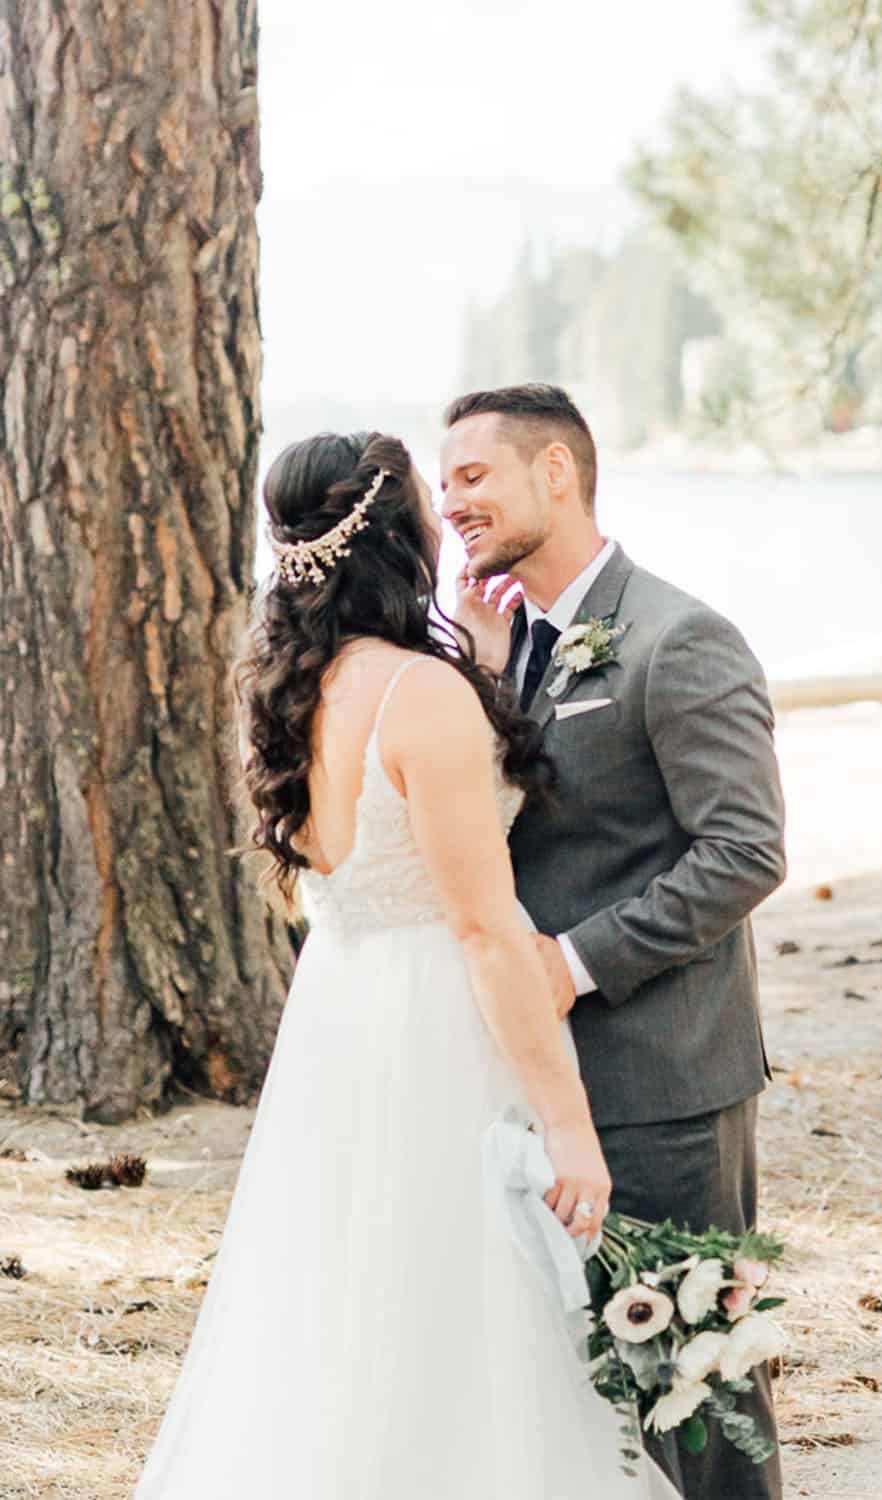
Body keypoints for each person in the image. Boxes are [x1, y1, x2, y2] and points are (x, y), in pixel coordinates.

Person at [134, 431, 674, 1498]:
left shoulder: (299, 688)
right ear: (400, 540)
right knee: (458, 1314)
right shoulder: (422, 696)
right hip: (434, 1023)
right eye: (431, 507)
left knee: (347, 1307)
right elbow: (483, 927)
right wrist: (571, 1129)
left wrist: (472, 656)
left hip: (343, 1015)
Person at [440, 384, 787, 1500]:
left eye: (473, 476)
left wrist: (570, 963)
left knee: (700, 1396)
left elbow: (744, 853)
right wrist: (490, 672)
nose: (452, 502)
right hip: (546, 1088)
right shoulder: (513, 644)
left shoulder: (678, 639)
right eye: (443, 484)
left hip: (665, 1084)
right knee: (581, 1396)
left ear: (557, 471)